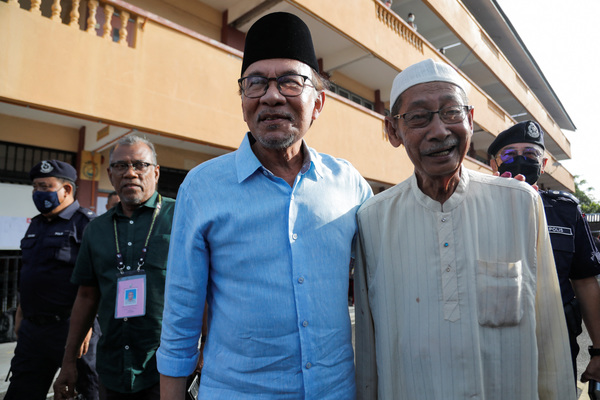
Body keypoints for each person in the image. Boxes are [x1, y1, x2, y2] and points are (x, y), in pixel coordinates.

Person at [157, 12, 372, 399]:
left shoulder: (349, 184)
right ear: (243, 99)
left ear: (318, 103)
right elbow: (181, 314)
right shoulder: (202, 188)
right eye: (255, 83)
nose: (272, 96)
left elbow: (385, 277)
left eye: (290, 81)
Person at [354, 59, 574, 400]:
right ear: (393, 131)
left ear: (470, 121)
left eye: (452, 112)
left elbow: (549, 335)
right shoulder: (371, 219)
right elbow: (369, 352)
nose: (440, 130)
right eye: (418, 117)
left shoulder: (520, 204)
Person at [53, 135, 176, 399]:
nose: (130, 173)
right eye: (121, 166)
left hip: (168, 368)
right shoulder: (96, 229)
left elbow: (206, 288)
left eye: (140, 165)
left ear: (155, 172)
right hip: (111, 370)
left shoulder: (180, 217)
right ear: (110, 174)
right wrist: (69, 361)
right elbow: (86, 296)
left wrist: (205, 349)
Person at [488, 120, 600, 382]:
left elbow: (585, 281)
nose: (520, 160)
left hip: (557, 338)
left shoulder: (566, 210)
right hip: (493, 340)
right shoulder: (477, 206)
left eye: (530, 154)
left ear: (544, 163)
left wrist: (598, 351)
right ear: (494, 164)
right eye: (508, 154)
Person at [5, 160, 100, 400]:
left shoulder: (87, 224)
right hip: (33, 330)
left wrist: (90, 324)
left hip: (72, 328)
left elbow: (101, 279)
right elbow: (29, 271)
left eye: (46, 186)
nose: (39, 193)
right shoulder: (36, 224)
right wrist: (20, 312)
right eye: (36, 187)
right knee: (21, 391)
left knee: (90, 391)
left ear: (67, 190)